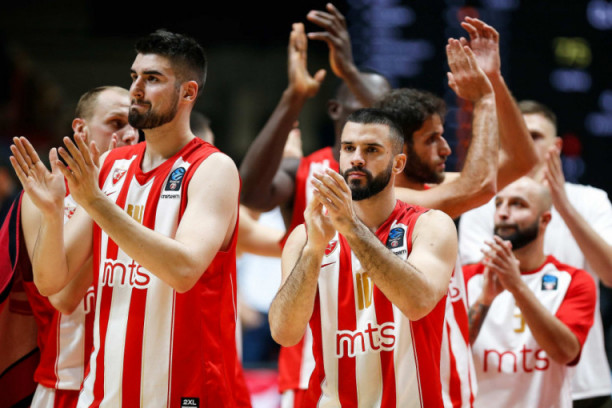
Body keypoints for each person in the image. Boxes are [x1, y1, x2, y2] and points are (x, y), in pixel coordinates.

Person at [10, 29, 249, 407]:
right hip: (104, 390)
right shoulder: (110, 165)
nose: (136, 88)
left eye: (152, 78)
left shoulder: (212, 168)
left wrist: (96, 203)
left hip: (183, 391)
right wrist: (53, 214)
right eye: (134, 76)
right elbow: (53, 285)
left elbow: (184, 270)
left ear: (188, 92)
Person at [373, 18, 538, 407]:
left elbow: (522, 160)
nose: (446, 149)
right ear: (399, 152)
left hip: (447, 380)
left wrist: (493, 81)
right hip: (405, 388)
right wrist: (482, 101)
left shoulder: (430, 191)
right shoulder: (386, 201)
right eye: (432, 139)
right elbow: (479, 187)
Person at [238, 6, 391, 404]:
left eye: (384, 108)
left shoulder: (404, 173)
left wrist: (350, 70)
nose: (375, 115)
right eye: (361, 100)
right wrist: (293, 98)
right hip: (312, 370)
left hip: (393, 362)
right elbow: (250, 194)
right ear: (336, 110)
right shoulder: (309, 169)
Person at [269, 108, 457, 406]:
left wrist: (351, 228)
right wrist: (314, 250)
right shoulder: (305, 236)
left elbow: (418, 303)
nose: (357, 158)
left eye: (371, 150)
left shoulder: (429, 225)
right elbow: (284, 333)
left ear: (398, 163)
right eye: (348, 148)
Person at [459, 101, 612, 407]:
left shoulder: (591, 200)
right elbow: (479, 287)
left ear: (556, 146)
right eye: (515, 136)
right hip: (499, 377)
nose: (524, 144)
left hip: (581, 379)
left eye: (534, 136)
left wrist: (562, 204)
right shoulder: (483, 207)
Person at [1, 85, 137, 408]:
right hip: (66, 385)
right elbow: (62, 297)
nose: (130, 135)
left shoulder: (142, 194)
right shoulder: (45, 195)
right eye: (117, 123)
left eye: (136, 126)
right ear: (81, 129)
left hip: (127, 382)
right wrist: (104, 188)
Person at [464, 177, 596, 407]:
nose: (503, 213)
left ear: (545, 219)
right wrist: (485, 299)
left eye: (518, 204)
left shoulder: (574, 281)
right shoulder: (467, 277)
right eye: (499, 204)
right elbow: (447, 354)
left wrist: (517, 287)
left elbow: (565, 353)